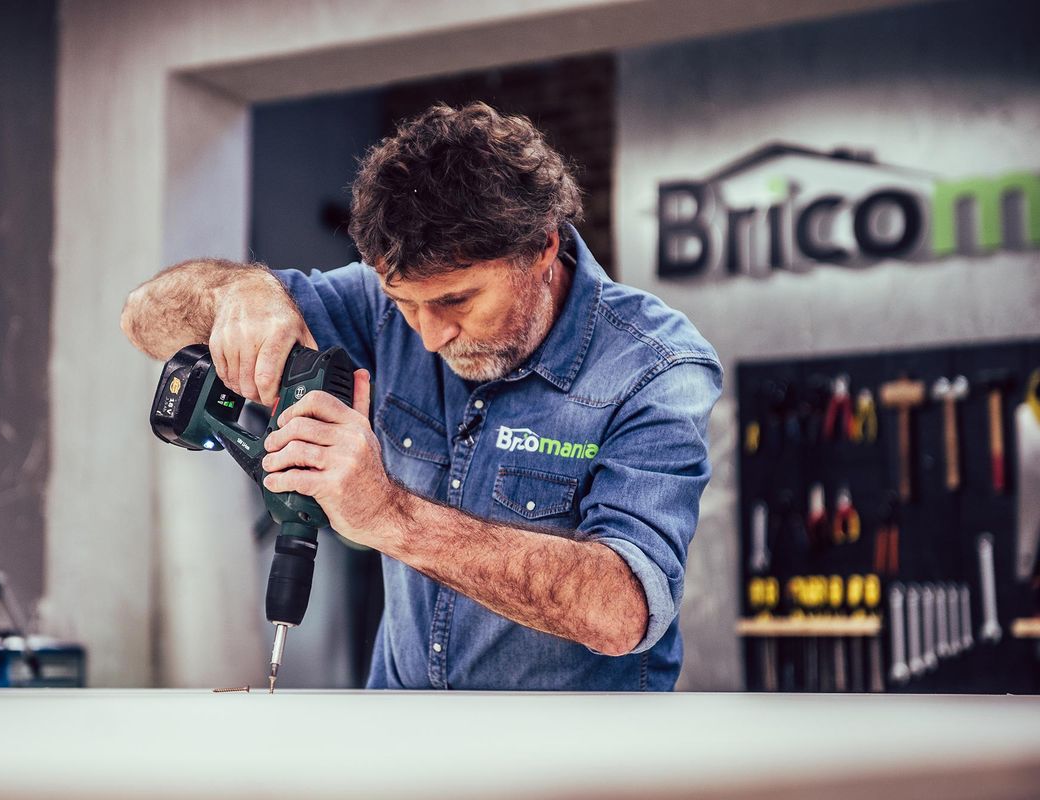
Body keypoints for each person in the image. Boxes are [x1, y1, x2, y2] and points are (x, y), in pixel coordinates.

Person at [120, 102, 722, 691]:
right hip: (401, 730)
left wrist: (388, 515)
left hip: (574, 762)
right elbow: (142, 321)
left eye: (457, 300)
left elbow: (623, 610)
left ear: (541, 246)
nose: (431, 336)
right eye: (406, 303)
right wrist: (237, 292)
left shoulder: (655, 365)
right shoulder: (379, 308)